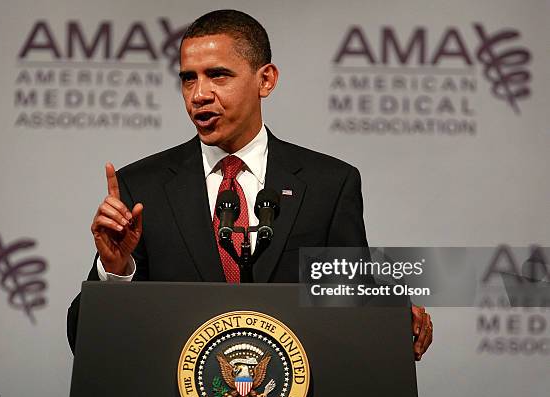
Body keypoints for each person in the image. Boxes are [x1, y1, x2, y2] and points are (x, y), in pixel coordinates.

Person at [67, 9, 432, 359]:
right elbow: (85, 338)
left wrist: (393, 315)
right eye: (188, 78)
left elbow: (352, 299)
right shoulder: (142, 187)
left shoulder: (328, 185)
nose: (199, 95)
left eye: (218, 75)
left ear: (266, 80)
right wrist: (113, 272)